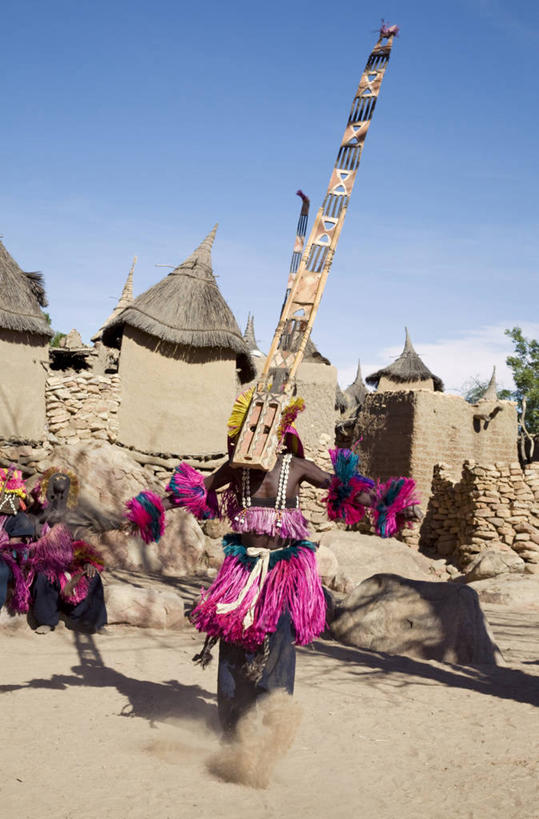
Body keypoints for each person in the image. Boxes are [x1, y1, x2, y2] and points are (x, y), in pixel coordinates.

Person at [127, 392, 422, 734]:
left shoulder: (296, 467)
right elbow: (192, 491)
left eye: (265, 430)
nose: (257, 437)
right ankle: (232, 723)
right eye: (251, 430)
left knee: (278, 635)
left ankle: (272, 720)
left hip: (283, 571)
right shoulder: (236, 469)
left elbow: (345, 489)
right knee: (233, 637)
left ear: (279, 434)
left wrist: (390, 504)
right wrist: (149, 509)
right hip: (242, 570)